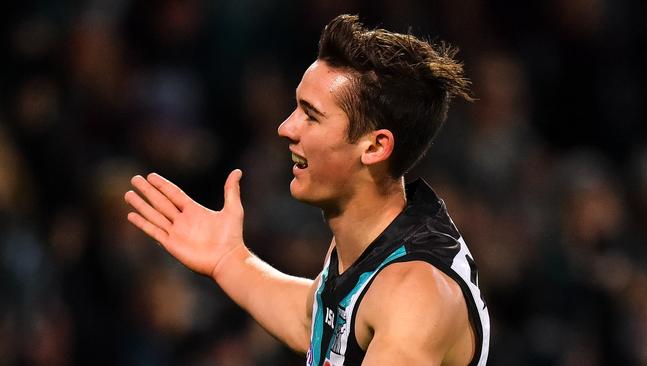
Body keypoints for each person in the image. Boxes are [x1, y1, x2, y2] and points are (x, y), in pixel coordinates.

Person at [124, 14, 490, 366]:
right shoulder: (375, 244)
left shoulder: (414, 294)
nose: (286, 128)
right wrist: (228, 260)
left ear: (375, 147)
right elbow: (318, 325)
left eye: (310, 115)